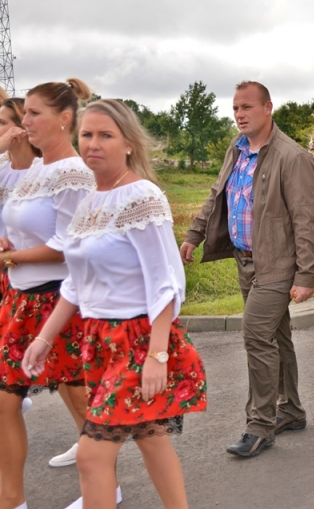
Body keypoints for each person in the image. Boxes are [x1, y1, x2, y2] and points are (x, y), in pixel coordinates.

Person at [24, 99, 207, 509]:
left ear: (128, 143)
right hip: (99, 340)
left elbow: (167, 283)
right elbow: (76, 283)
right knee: (151, 436)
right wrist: (44, 337)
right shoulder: (89, 202)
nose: (93, 143)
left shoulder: (142, 196)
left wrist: (157, 354)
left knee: (91, 455)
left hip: (138, 338)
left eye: (105, 135)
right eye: (87, 134)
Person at [180, 81, 314, 458]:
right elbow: (216, 193)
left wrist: (306, 275)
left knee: (256, 336)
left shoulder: (293, 157)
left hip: (277, 264)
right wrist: (194, 234)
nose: (239, 115)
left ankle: (259, 426)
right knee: (278, 335)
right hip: (245, 260)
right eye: (235, 109)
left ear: (268, 108)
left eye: (246, 107)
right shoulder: (237, 150)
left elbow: (306, 220)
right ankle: (289, 410)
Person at [0, 79, 95, 509]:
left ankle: (102, 488)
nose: (25, 121)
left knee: (79, 400)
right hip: (22, 299)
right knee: (5, 401)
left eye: (34, 113)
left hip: (58, 299)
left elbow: (67, 247)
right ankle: (12, 500)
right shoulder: (35, 169)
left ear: (65, 119)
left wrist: (13, 259)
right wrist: (9, 247)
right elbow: (19, 225)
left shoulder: (73, 172)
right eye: (24, 113)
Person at [0, 97, 41, 421]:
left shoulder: (43, 172)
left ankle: (89, 435)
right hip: (8, 272)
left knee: (67, 375)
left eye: (2, 123)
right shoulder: (2, 169)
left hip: (36, 277)